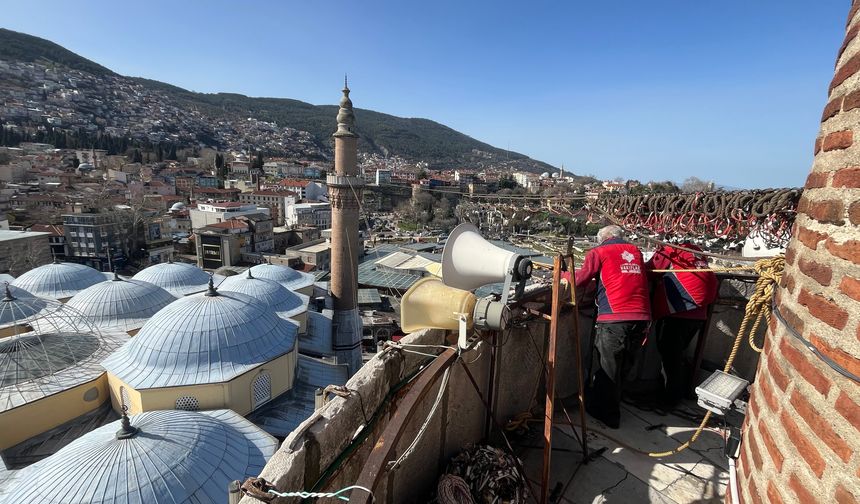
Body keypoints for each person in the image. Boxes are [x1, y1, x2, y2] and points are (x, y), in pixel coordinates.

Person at [574, 225, 650, 428]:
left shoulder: (599, 252)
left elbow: (580, 279)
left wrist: (563, 276)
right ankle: (611, 404)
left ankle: (608, 415)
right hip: (641, 318)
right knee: (624, 365)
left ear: (603, 239)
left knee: (608, 368)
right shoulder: (636, 252)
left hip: (614, 317)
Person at [647, 242, 718, 409]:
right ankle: (683, 391)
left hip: (679, 311)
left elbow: (650, 270)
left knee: (670, 356)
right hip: (698, 313)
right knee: (678, 355)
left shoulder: (669, 249)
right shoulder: (696, 252)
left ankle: (669, 400)